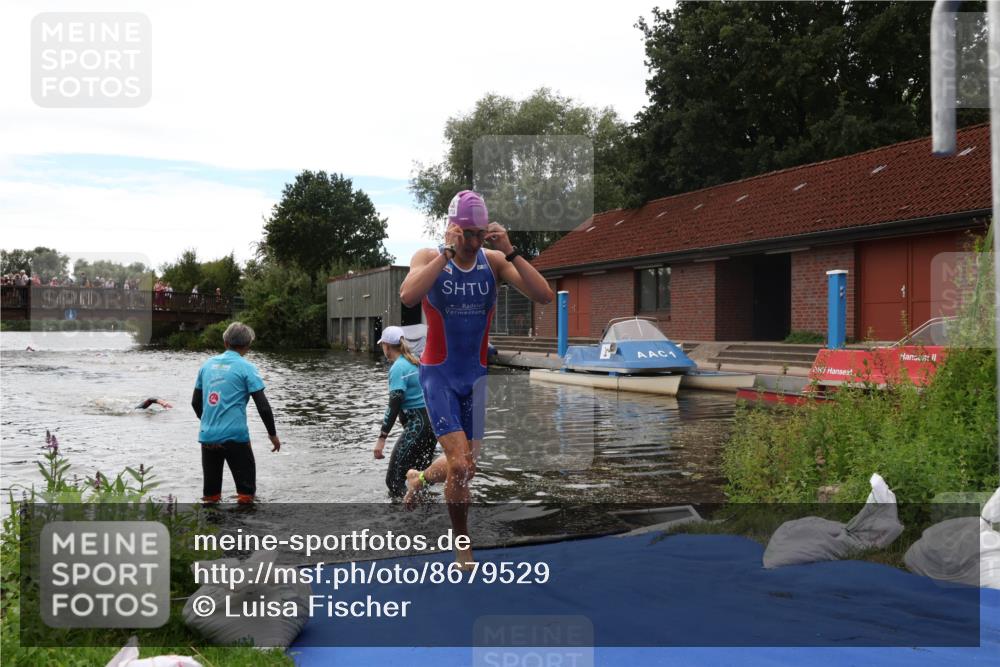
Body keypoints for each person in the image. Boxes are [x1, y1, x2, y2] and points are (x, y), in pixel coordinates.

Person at [398, 190, 553, 567]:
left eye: (479, 234)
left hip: (476, 378)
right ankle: (462, 544)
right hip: (439, 375)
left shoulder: (494, 261)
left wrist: (512, 250)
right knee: (462, 466)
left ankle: (417, 480)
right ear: (451, 229)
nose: (472, 242)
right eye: (466, 234)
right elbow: (407, 295)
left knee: (466, 465)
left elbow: (544, 295)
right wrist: (445, 255)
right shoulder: (428, 257)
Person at [191, 322, 281, 504]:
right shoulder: (246, 368)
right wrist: (272, 434)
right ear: (248, 346)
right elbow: (263, 406)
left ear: (225, 342)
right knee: (246, 495)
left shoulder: (206, 366)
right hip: (235, 438)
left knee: (211, 496)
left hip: (208, 436)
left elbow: (195, 403)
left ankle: (209, 530)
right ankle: (243, 529)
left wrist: (209, 423)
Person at [373, 326, 438, 497]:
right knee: (419, 478)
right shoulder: (414, 361)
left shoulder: (398, 368)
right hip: (431, 427)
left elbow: (394, 404)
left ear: (387, 345)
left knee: (394, 481)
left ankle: (403, 518)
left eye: (382, 345)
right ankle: (423, 516)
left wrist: (382, 438)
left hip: (418, 426)